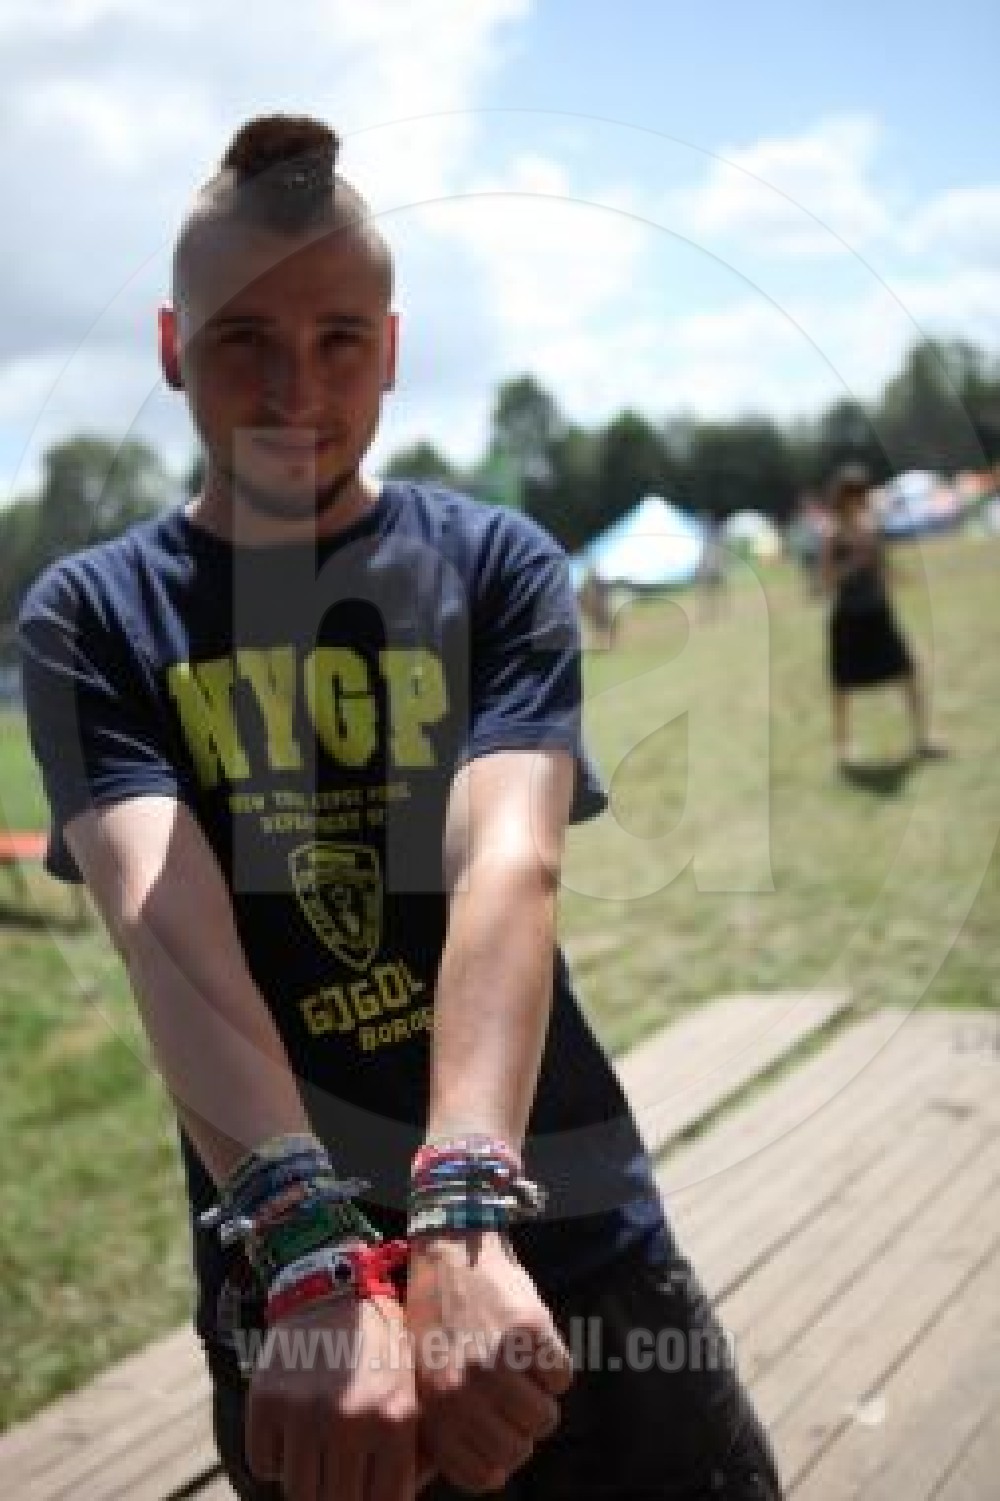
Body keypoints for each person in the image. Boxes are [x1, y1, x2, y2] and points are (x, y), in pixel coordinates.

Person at [18, 115, 782, 1500]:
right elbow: (163, 925)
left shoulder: (493, 563)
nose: (294, 387)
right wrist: (314, 1253)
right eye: (244, 338)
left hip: (566, 1221)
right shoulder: (94, 618)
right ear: (171, 344)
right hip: (291, 1283)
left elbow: (509, 863)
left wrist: (463, 1214)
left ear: (395, 341)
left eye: (341, 339)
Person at [820, 463, 945, 771]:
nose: (864, 500)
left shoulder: (870, 528)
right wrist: (854, 562)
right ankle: (842, 752)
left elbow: (881, 567)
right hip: (849, 618)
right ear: (846, 496)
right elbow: (825, 581)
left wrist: (901, 576)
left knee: (908, 672)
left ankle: (922, 740)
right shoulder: (832, 533)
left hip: (878, 614)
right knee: (843, 687)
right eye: (859, 494)